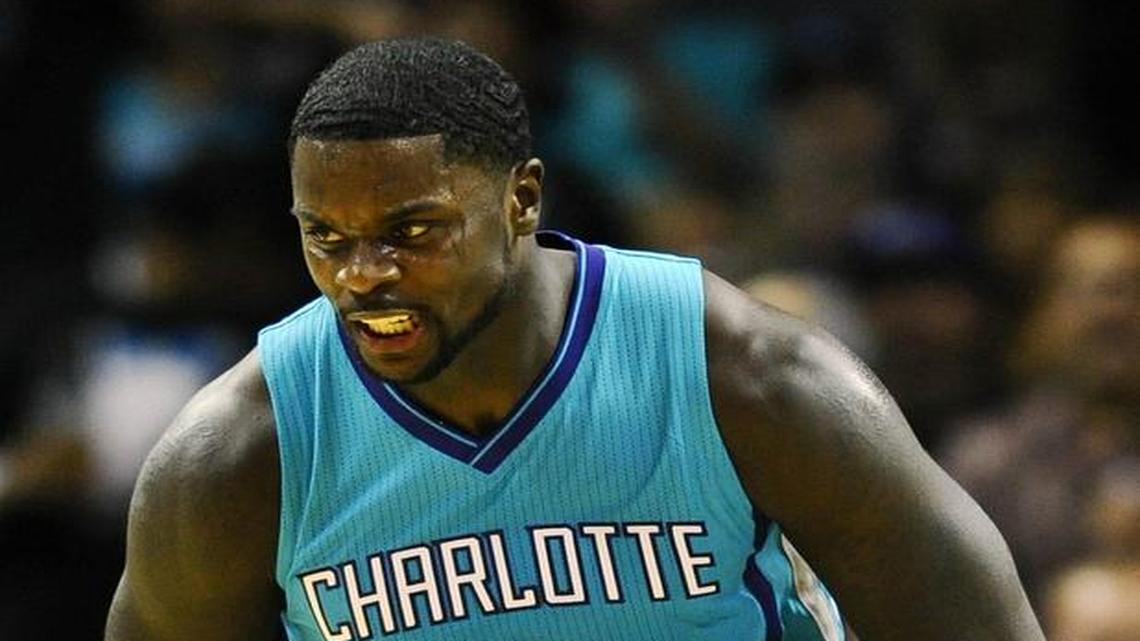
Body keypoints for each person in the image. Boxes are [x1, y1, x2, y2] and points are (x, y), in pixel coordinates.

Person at [105, 37, 1045, 641]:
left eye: (413, 232)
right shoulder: (239, 452)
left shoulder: (743, 374)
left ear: (521, 199)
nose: (364, 274)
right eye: (328, 237)